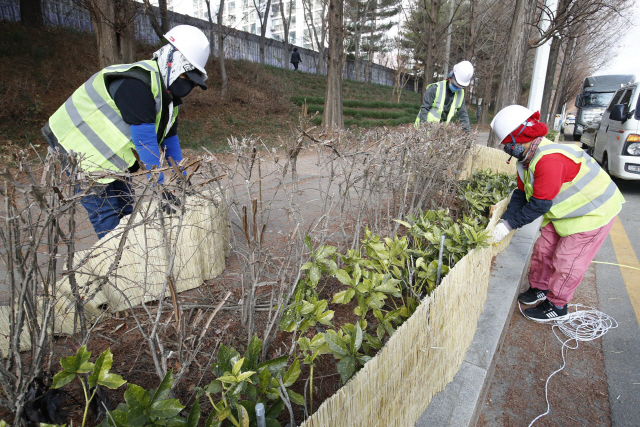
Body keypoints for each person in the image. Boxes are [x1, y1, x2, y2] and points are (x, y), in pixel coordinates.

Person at [41, 25, 210, 239]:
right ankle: (118, 266)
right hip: (75, 146)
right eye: (187, 77)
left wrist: (182, 181)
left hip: (109, 156)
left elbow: (170, 140)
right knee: (108, 216)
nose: (188, 87)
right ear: (172, 63)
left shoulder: (169, 101)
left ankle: (130, 259)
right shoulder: (137, 84)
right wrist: (159, 189)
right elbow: (146, 141)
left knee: (127, 208)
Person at [491, 105, 624, 321]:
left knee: (568, 260)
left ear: (521, 137)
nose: (507, 148)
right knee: (543, 249)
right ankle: (540, 288)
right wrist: (505, 219)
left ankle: (557, 304)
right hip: (567, 212)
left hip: (593, 212)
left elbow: (539, 204)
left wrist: (508, 225)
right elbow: (521, 194)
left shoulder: (549, 160)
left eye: (508, 144)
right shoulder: (526, 160)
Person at [414, 60, 474, 133]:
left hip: (440, 133)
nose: (456, 88)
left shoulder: (460, 94)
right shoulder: (434, 89)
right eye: (455, 85)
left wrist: (467, 134)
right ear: (451, 76)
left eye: (459, 87)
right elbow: (424, 110)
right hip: (424, 131)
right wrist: (423, 129)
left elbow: (463, 115)